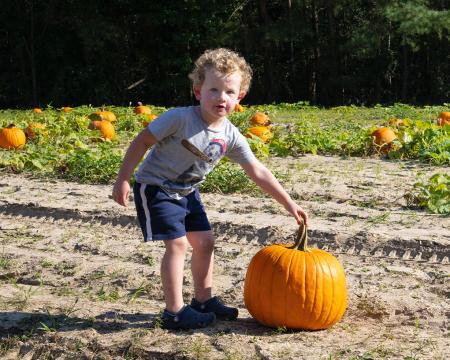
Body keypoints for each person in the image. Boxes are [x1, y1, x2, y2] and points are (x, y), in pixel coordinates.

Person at [112, 48, 308, 330]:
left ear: (239, 97)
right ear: (198, 91)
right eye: (213, 90)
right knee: (178, 245)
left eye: (229, 91)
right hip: (156, 188)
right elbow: (141, 142)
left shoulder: (231, 134)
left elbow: (257, 170)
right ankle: (174, 312)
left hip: (188, 192)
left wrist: (289, 203)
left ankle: (202, 301)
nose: (221, 97)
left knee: (205, 243)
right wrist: (123, 179)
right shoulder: (179, 118)